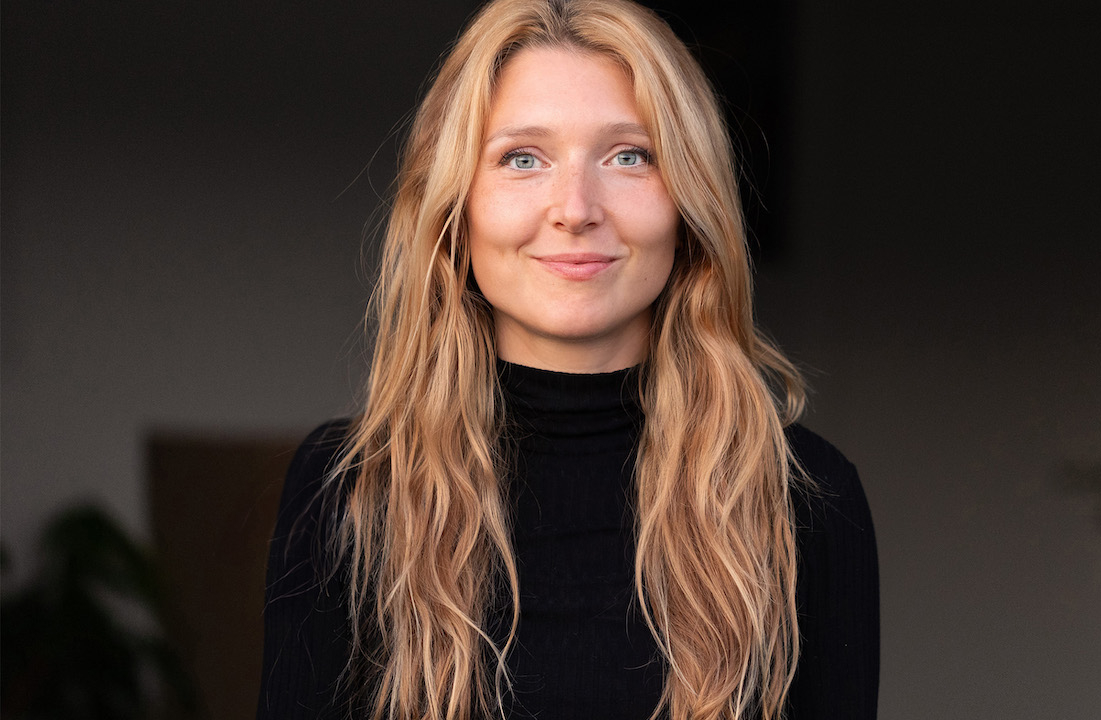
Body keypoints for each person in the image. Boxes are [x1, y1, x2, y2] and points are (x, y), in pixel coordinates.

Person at [256, 0, 878, 718]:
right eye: (523, 158)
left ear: (689, 203)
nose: (576, 209)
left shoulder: (805, 499)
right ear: (454, 206)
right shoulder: (351, 489)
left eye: (629, 156)